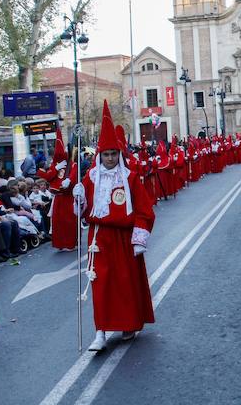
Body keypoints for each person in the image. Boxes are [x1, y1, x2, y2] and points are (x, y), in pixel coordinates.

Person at [73, 101, 155, 352]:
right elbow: (83, 213)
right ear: (99, 156)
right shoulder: (90, 177)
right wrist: (79, 198)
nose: (110, 158)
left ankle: (129, 323)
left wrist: (139, 239)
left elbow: (144, 210)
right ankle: (101, 331)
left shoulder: (129, 178)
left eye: (113, 154)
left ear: (119, 154)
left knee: (124, 284)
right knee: (100, 285)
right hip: (99, 240)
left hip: (125, 239)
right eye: (106, 154)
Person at [38, 129, 78, 251]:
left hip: (68, 197)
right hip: (58, 198)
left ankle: (71, 242)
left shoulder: (72, 164)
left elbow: (74, 173)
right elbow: (48, 176)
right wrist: (55, 168)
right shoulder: (54, 165)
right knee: (58, 222)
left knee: (70, 221)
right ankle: (60, 243)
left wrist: (69, 180)